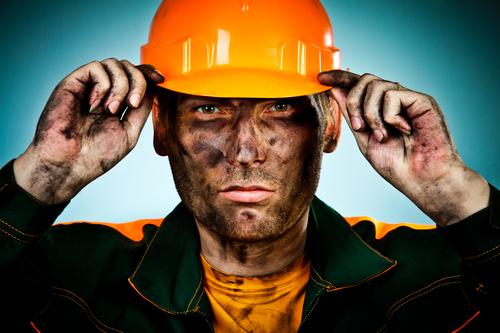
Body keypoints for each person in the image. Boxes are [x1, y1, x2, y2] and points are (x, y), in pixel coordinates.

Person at [0, 0, 498, 332]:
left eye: (279, 107)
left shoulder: (445, 278)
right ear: (161, 128)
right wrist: (48, 173)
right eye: (209, 109)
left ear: (330, 127)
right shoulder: (67, 276)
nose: (243, 150)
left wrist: (451, 191)